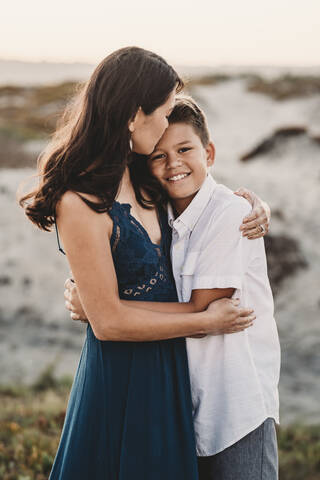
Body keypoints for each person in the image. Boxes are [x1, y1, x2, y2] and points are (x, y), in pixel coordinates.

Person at [19, 46, 269, 480]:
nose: (168, 120)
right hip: (120, 376)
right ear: (135, 114)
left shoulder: (142, 175)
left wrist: (250, 203)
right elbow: (109, 323)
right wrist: (203, 320)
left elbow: (202, 199)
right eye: (164, 110)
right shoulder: (78, 201)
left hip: (172, 371)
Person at [66, 96, 280, 479]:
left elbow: (204, 312)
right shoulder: (160, 212)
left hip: (235, 409)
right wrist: (101, 305)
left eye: (184, 150)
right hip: (181, 404)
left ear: (209, 153)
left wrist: (105, 309)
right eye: (159, 156)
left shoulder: (230, 213)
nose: (173, 164)